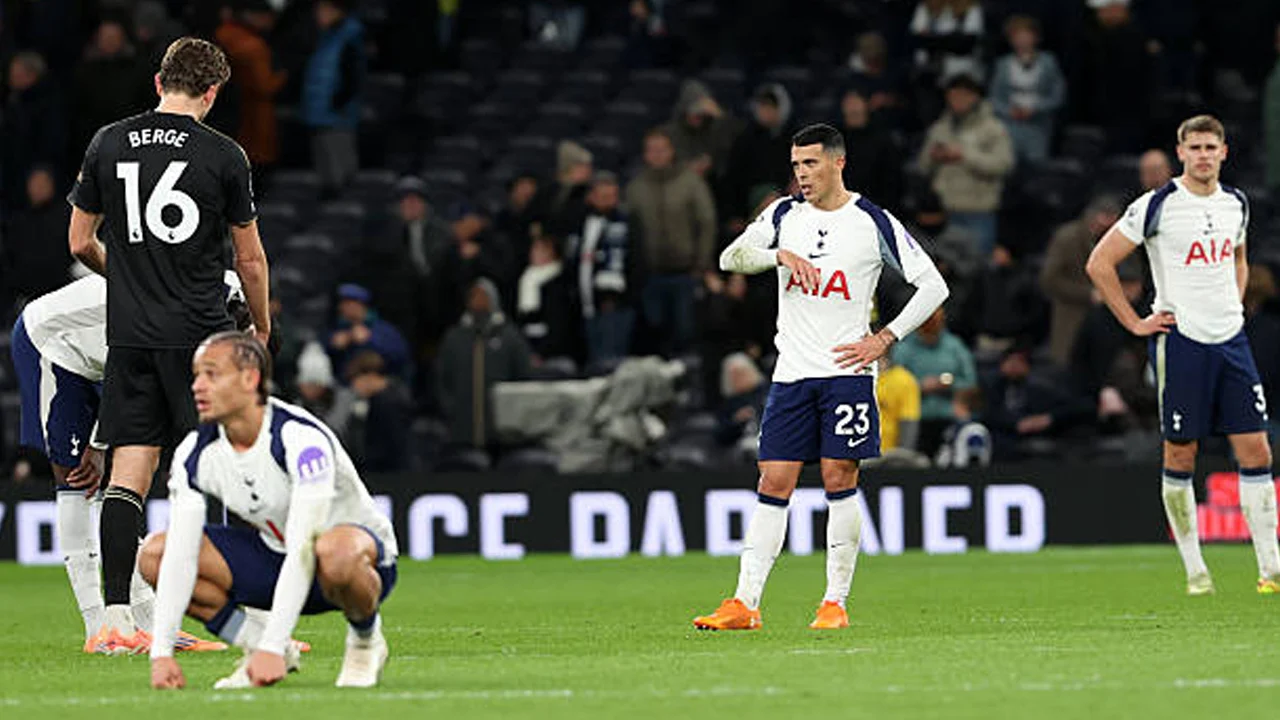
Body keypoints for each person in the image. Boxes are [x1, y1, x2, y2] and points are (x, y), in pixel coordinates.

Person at [693, 124, 949, 631]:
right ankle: (745, 603)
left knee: (839, 476)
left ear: (838, 163)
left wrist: (885, 338)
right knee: (774, 478)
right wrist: (777, 255)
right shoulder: (784, 215)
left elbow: (932, 285)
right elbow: (729, 258)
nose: (801, 175)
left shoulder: (870, 221)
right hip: (791, 374)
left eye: (810, 164)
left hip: (846, 373)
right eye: (795, 166)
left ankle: (834, 603)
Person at [66, 37, 272, 654]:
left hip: (130, 337)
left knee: (129, 475)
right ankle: (247, 620)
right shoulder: (224, 154)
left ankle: (115, 620)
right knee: (224, 473)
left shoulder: (108, 141)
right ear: (212, 93)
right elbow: (251, 259)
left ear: (159, 81)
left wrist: (127, 276)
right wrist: (259, 329)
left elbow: (79, 243)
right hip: (201, 341)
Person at [1086, 115, 1278, 596]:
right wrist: (1134, 322)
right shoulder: (1158, 205)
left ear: (1224, 152)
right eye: (1194, 147)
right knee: (1181, 451)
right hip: (1183, 339)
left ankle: (1270, 570)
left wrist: (1234, 301)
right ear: (1181, 153)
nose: (1203, 155)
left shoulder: (1236, 203)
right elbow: (1099, 262)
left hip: (1230, 339)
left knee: (1256, 450)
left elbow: (1238, 256)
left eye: (1211, 147)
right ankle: (1196, 571)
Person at [144, 332, 396, 689]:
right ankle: (254, 645)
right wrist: (162, 652)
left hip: (348, 563)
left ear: (250, 379)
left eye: (212, 374)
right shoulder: (193, 452)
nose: (198, 386)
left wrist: (272, 644)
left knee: (333, 552)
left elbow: (306, 545)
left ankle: (366, 641)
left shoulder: (299, 438)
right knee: (155, 554)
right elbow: (181, 557)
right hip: (277, 558)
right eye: (196, 375)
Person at [11, 272, 245, 654]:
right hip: (53, 342)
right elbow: (125, 378)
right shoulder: (165, 318)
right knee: (75, 478)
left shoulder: (221, 294)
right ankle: (97, 629)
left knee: (121, 481)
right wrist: (99, 444)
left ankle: (149, 624)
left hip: (109, 350)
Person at [627, 127, 717, 357]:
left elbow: (706, 223)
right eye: (651, 150)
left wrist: (701, 263)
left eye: (661, 149)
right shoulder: (636, 188)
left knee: (686, 334)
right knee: (654, 335)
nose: (657, 154)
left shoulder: (690, 182)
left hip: (685, 273)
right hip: (651, 274)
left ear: (671, 151)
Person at [917, 72, 1014, 257]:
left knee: (975, 271)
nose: (957, 100)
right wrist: (934, 156)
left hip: (977, 212)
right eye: (953, 95)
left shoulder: (992, 129)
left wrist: (964, 155)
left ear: (975, 97)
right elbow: (923, 166)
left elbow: (1003, 164)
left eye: (963, 95)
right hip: (944, 212)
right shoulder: (940, 127)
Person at [1040, 196, 1124, 366]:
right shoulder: (1067, 238)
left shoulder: (1115, 239)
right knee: (1066, 365)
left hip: (1105, 318)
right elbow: (1049, 280)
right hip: (1071, 314)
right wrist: (1088, 294)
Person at [891, 307, 978, 457]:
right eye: (929, 319)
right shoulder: (903, 348)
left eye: (938, 319)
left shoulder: (955, 346)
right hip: (914, 417)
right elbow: (892, 383)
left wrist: (950, 384)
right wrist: (919, 386)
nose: (934, 323)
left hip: (949, 415)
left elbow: (970, 382)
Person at [300, 0, 364, 194]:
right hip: (319, 115)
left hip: (338, 118)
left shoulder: (349, 37)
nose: (318, 15)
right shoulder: (324, 37)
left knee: (341, 176)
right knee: (325, 177)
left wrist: (338, 103)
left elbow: (354, 77)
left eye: (323, 10)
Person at [989, 15, 1066, 165]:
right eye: (1017, 37)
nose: (1022, 41)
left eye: (1026, 36)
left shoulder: (1049, 62)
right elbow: (994, 98)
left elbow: (1058, 95)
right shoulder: (1002, 64)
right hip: (1009, 124)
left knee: (1037, 167)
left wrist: (1035, 109)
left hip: (1038, 124)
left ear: (1036, 38)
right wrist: (1008, 111)